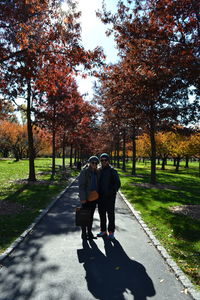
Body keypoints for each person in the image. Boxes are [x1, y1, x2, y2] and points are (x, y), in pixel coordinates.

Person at [97, 153, 121, 239]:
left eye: (105, 160)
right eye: (102, 160)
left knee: (110, 215)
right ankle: (103, 231)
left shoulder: (112, 170)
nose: (103, 161)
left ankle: (111, 232)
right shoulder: (99, 170)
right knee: (102, 214)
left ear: (108, 161)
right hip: (100, 197)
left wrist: (111, 192)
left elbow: (117, 184)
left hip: (110, 198)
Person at [78, 156, 99, 240]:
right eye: (92, 162)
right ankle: (83, 234)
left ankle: (89, 232)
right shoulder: (84, 172)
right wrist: (83, 198)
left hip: (94, 197)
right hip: (86, 198)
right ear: (89, 163)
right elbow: (81, 186)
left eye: (96, 163)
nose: (94, 164)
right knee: (84, 216)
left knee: (91, 216)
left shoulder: (97, 172)